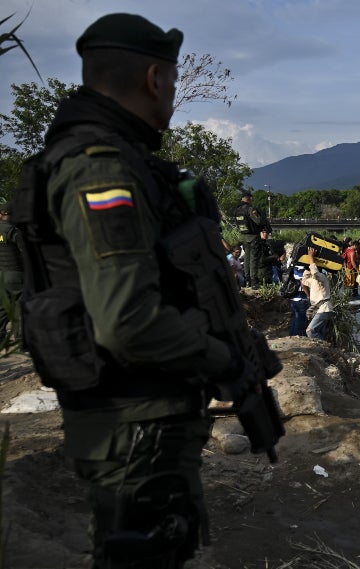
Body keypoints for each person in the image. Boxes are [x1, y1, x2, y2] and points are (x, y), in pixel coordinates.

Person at [12, 13, 278, 568]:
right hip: (132, 419)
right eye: (175, 82)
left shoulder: (111, 160)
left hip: (137, 417)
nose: (175, 95)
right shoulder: (101, 171)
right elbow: (127, 318)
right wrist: (222, 357)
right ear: (155, 78)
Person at [234, 190, 269, 287]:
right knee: (254, 258)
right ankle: (254, 281)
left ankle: (248, 280)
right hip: (253, 236)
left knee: (247, 258)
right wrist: (262, 218)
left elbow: (237, 224)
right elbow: (258, 221)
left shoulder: (237, 210)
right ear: (249, 198)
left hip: (244, 236)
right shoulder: (250, 209)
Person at [0, 200, 23, 345]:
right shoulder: (13, 231)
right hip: (15, 274)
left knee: (2, 307)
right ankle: (21, 339)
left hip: (1, 275)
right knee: (20, 307)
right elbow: (25, 251)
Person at [301, 248, 333, 340]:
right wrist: (307, 268)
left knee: (310, 331)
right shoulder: (314, 280)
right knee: (320, 332)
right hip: (319, 309)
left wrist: (311, 258)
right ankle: (324, 350)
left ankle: (323, 348)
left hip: (324, 309)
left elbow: (315, 273)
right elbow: (304, 281)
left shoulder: (323, 278)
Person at [288, 266, 309, 336]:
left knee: (296, 320)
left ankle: (292, 337)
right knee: (299, 322)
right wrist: (309, 296)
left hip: (293, 298)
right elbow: (303, 283)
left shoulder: (294, 265)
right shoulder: (301, 266)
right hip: (300, 298)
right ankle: (295, 338)